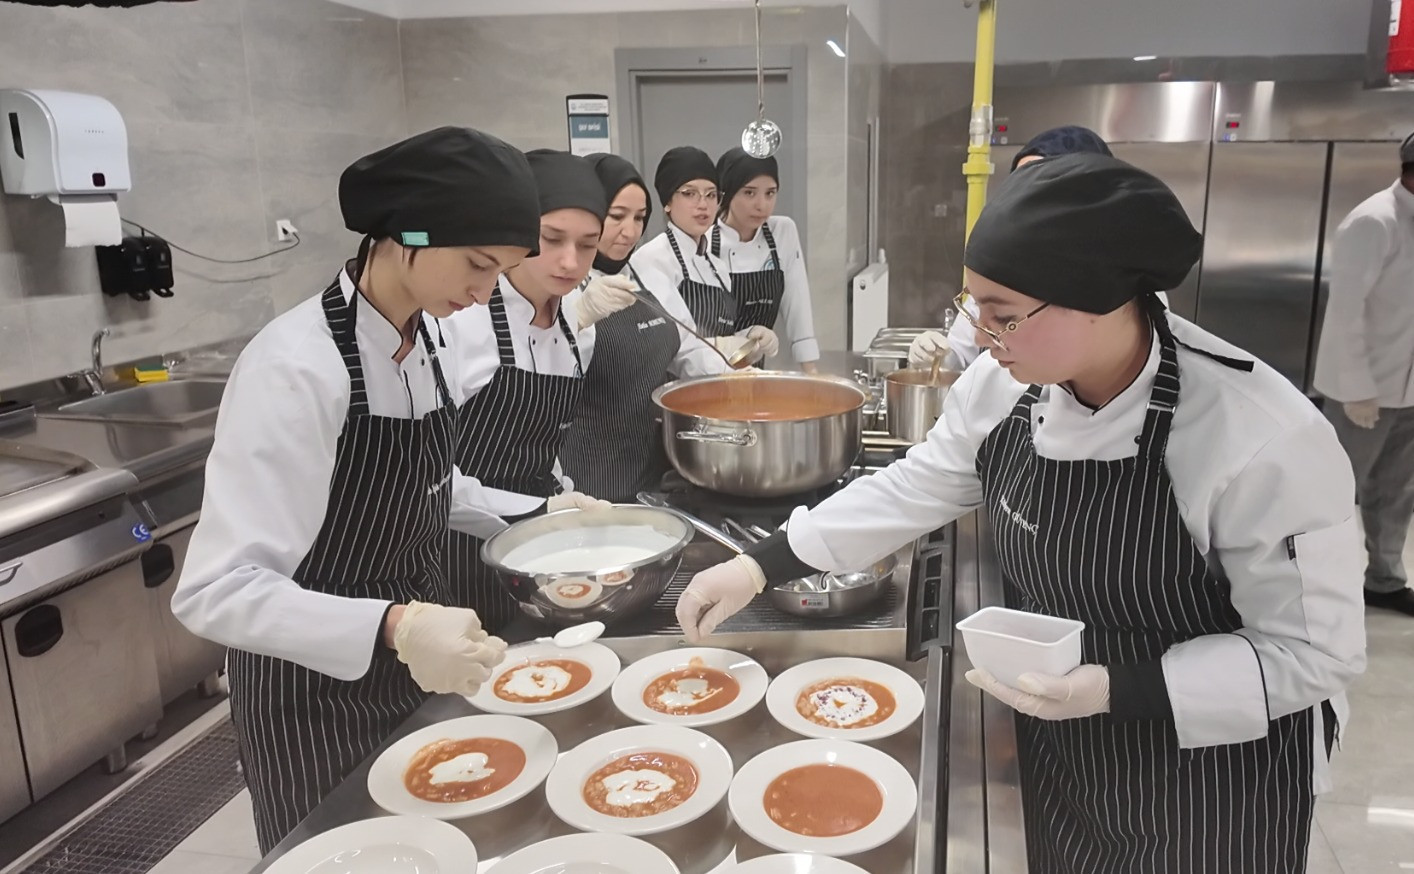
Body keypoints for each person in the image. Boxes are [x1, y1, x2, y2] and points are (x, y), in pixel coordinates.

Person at [677, 154, 1366, 872]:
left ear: (1099, 301)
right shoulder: (1004, 386)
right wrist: (759, 566)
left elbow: (1314, 654)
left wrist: (1115, 687)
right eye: (975, 307)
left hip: (1215, 776)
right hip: (1068, 742)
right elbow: (918, 484)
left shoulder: (1262, 439)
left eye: (1003, 316)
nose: (980, 335)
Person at [172, 127, 542, 852]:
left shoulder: (427, 340)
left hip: (413, 666)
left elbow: (427, 487)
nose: (484, 292)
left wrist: (544, 514)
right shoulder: (297, 365)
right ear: (408, 234)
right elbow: (216, 590)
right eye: (477, 264)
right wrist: (395, 627)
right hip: (312, 695)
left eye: (500, 272)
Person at [441, 149, 612, 632]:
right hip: (458, 551)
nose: (570, 261)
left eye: (587, 245)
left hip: (539, 551)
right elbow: (424, 477)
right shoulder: (460, 321)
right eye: (551, 239)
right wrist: (535, 512)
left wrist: (567, 501)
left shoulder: (577, 330)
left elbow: (543, 441)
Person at [559, 153, 732, 502]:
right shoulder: (563, 283)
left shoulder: (647, 273)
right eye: (616, 216)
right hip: (587, 476)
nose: (630, 232)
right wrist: (578, 318)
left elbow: (688, 350)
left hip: (653, 467)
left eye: (639, 218)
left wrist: (735, 377)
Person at [910, 125, 1117, 371]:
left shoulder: (1119, 294)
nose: (1025, 200)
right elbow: (964, 354)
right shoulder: (999, 267)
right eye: (1018, 186)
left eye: (1039, 186)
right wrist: (940, 359)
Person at [1313, 132, 1414, 618]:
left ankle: (1385, 580)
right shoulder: (1375, 221)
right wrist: (1356, 390)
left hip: (1409, 390)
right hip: (1364, 393)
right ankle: (1309, 586)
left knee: (1396, 493)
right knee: (1330, 493)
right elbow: (1345, 312)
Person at [631, 145, 778, 365]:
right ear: (667, 202)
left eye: (711, 195)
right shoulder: (652, 259)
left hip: (715, 381)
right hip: (673, 385)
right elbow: (671, 348)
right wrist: (725, 353)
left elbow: (721, 337)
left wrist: (749, 338)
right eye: (689, 194)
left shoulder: (716, 268)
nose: (703, 205)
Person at [709, 147, 820, 371]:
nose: (762, 205)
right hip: (707, 371)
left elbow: (797, 304)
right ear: (727, 193)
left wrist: (812, 373)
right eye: (749, 193)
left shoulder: (783, 231)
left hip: (755, 372)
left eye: (770, 193)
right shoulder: (704, 240)